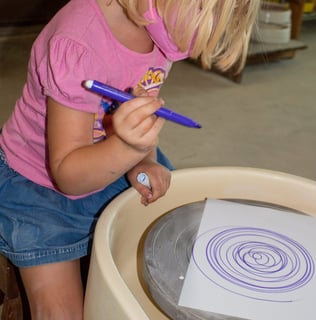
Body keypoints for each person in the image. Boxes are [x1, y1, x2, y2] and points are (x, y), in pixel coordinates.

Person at [0, 0, 260, 318]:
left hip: (118, 155)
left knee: (179, 259)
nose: (207, 26)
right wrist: (132, 149)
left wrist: (144, 159)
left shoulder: (162, 22)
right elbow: (68, 176)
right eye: (206, 9)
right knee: (60, 312)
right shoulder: (77, 40)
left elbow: (141, 105)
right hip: (39, 186)